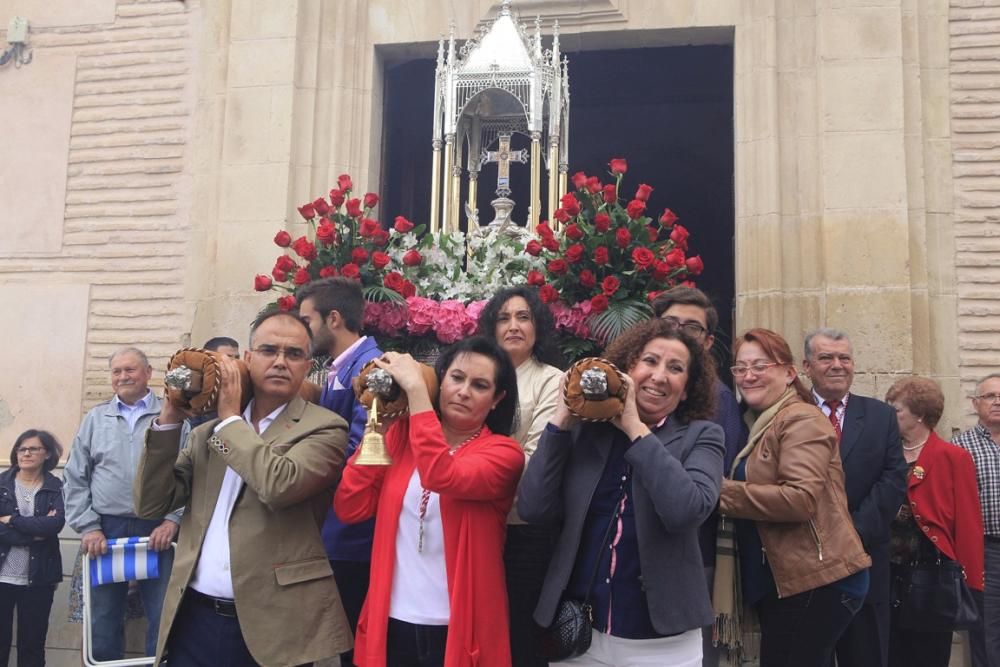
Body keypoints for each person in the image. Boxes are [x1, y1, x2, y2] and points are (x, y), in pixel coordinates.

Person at [134, 310, 353, 666]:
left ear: (307, 366)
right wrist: (168, 420)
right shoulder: (209, 433)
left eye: (293, 354)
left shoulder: (326, 428)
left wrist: (231, 419)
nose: (280, 362)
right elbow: (150, 503)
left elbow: (279, 485)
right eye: (269, 350)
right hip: (193, 616)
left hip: (274, 627)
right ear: (248, 359)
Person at [519, 318, 725, 666]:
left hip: (663, 641)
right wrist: (560, 421)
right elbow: (533, 507)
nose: (659, 376)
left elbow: (686, 511)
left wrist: (634, 426)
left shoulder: (703, 436)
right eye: (650, 361)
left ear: (687, 387)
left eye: (675, 368)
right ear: (628, 368)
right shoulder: (587, 431)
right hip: (580, 635)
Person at [334, 336, 524, 667]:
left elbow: (442, 475)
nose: (463, 391)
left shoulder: (505, 454)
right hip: (391, 622)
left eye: (480, 385)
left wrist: (418, 394)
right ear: (442, 379)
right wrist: (377, 429)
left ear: (497, 399)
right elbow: (351, 507)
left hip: (459, 631)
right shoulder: (402, 435)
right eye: (456, 378)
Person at [718, 328, 871, 667]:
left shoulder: (799, 418)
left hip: (818, 580)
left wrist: (720, 492)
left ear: (789, 373)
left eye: (760, 365)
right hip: (794, 579)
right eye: (740, 368)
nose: (748, 375)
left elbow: (799, 500)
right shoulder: (757, 424)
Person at [652, 287, 747, 667]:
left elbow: (711, 481)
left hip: (693, 548)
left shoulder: (716, 399)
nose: (679, 332)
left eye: (691, 328)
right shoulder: (640, 387)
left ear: (707, 342)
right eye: (670, 323)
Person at [63, 346, 178, 661]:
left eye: (130, 370)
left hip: (157, 531)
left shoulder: (170, 413)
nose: (123, 376)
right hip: (106, 530)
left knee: (163, 612)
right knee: (103, 615)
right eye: (117, 371)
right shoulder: (96, 418)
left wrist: (173, 519)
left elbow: (189, 470)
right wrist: (88, 527)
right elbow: (75, 476)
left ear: (148, 373)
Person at [801, 328, 908, 667]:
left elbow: (892, 481)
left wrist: (849, 536)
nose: (837, 365)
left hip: (865, 564)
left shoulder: (881, 416)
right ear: (807, 366)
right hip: (804, 565)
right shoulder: (790, 413)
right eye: (826, 358)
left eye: (844, 358)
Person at [298, 276, 383, 667]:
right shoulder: (342, 368)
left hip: (353, 530)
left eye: (306, 320)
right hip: (336, 523)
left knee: (353, 646)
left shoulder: (370, 368)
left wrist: (300, 473)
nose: (304, 331)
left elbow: (364, 445)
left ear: (333, 318)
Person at [477, 285, 563, 667]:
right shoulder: (477, 376)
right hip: (474, 523)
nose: (513, 325)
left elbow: (535, 460)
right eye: (503, 318)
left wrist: (471, 473)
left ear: (537, 327)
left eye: (523, 317)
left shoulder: (552, 380)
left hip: (522, 528)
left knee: (518, 635)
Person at [885, 376, 985, 667]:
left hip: (933, 574)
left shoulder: (953, 456)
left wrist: (971, 583)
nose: (890, 416)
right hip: (888, 572)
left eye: (896, 410)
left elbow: (968, 522)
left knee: (928, 654)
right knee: (890, 653)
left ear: (919, 415)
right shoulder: (886, 453)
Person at [0, 430, 65, 667]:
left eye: (33, 449)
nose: (26, 453)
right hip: (1, 578)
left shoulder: (56, 486)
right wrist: (34, 535)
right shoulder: (1, 484)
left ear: (46, 453)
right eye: (21, 449)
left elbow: (54, 524)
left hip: (38, 579)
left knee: (32, 646)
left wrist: (12, 520)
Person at [954, 373, 1000, 667]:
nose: (997, 402)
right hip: (985, 553)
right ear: (975, 403)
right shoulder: (959, 448)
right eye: (990, 396)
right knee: (986, 631)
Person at [180, 335, 242, 436]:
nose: (234, 364)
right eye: (228, 358)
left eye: (237, 358)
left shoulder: (240, 389)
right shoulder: (191, 386)